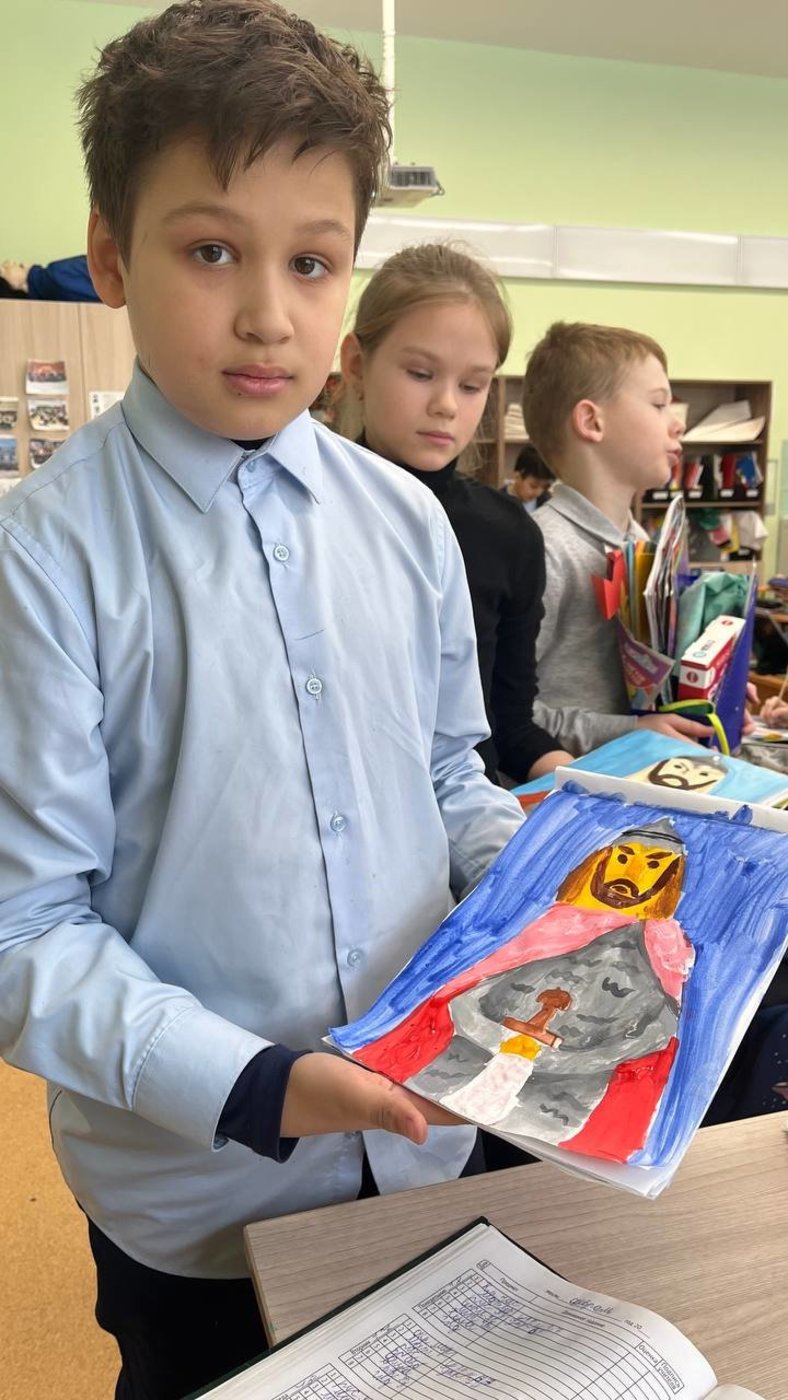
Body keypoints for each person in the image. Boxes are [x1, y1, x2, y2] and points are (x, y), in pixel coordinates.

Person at [0, 5, 526, 1396]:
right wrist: (253, 1085)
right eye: (211, 250)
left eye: (311, 262)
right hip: (199, 1195)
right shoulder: (40, 557)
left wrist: (548, 889)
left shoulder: (405, 524)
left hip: (430, 1136)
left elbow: (447, 783)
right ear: (112, 257)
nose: (266, 316)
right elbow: (23, 924)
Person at [339, 243, 572, 785]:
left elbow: (507, 726)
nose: (447, 404)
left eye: (472, 385)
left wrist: (593, 785)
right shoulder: (301, 511)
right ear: (356, 365)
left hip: (463, 819)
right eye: (421, 373)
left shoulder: (510, 534)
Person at [354, 818, 692, 1163]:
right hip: (460, 1064)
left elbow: (659, 1030)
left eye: (653, 865)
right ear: (603, 859)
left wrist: (558, 1059)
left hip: (564, 1096)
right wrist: (501, 1041)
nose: (633, 874)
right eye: (623, 857)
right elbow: (466, 989)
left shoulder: (662, 949)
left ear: (669, 878)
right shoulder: (539, 923)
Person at [521, 321, 715, 757]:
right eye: (659, 404)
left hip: (638, 774)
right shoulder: (544, 550)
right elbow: (507, 711)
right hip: (567, 786)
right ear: (592, 421)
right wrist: (630, 731)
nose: (677, 425)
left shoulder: (642, 543)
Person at [506, 441, 554, 512]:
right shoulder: (499, 502)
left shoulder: (546, 501)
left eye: (545, 487)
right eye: (533, 486)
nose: (538, 493)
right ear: (517, 475)